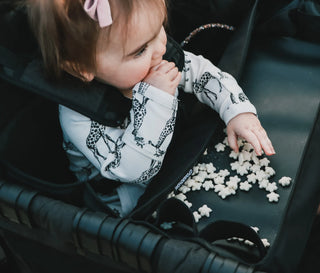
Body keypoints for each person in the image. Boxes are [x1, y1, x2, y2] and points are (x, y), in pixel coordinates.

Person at [26, 0, 275, 216]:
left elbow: (201, 73)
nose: (160, 49)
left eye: (160, 30)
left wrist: (237, 111)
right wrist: (156, 98)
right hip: (124, 196)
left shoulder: (154, 54)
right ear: (83, 68)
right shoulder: (78, 116)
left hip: (172, 157)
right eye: (140, 50)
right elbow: (135, 171)